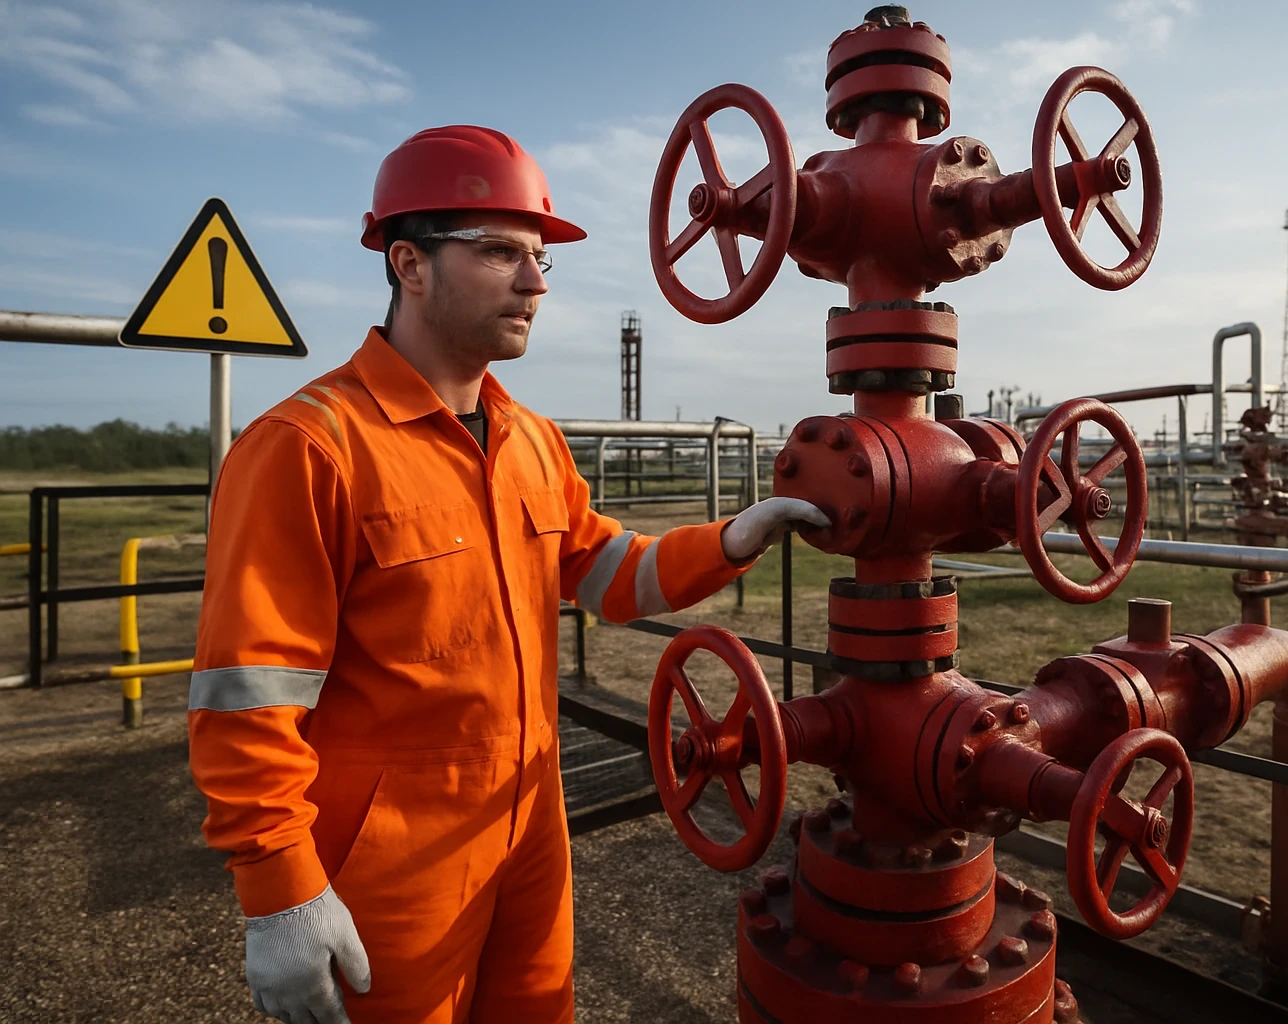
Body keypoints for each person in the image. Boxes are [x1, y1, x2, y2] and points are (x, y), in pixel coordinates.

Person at [187, 125, 827, 1024]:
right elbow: (246, 695)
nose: (534, 283)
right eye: (499, 253)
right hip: (389, 857)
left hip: (529, 823)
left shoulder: (530, 439)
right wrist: (280, 888)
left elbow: (610, 572)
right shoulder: (308, 447)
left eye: (538, 258)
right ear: (409, 263)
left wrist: (733, 538)